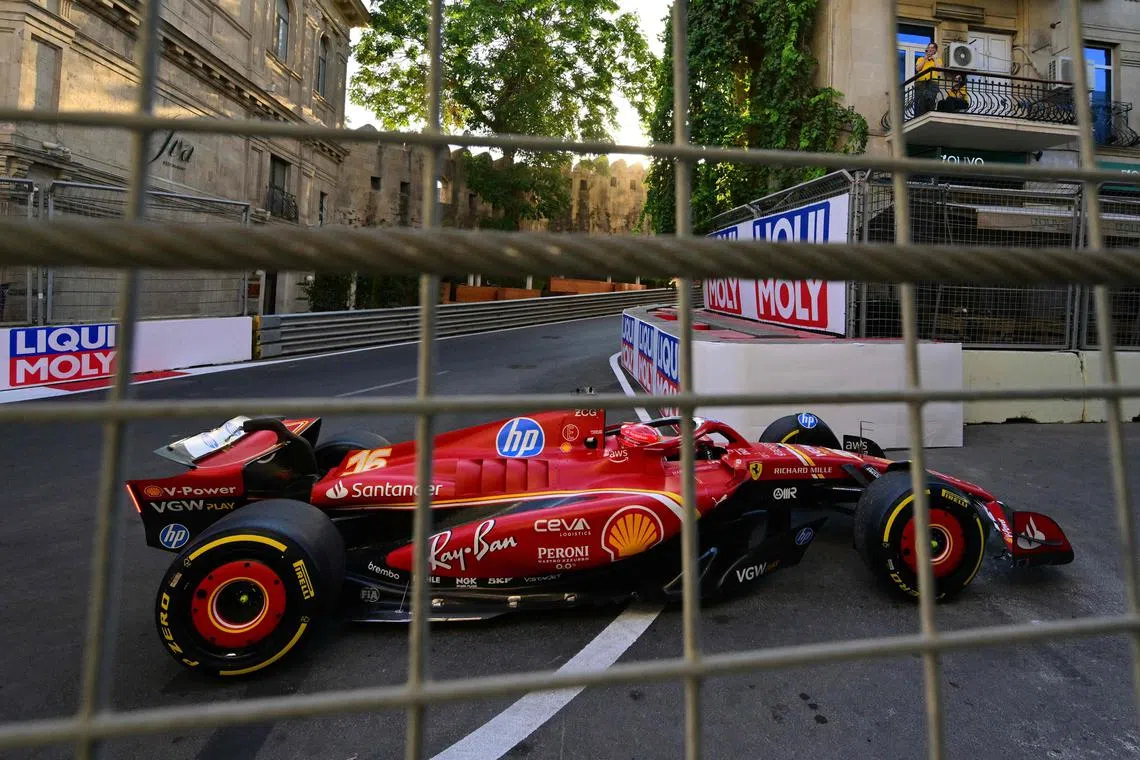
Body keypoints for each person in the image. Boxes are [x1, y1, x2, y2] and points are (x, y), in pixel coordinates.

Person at [914, 42, 940, 116]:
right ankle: (919, 117)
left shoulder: (938, 59)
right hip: (920, 83)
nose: (930, 49)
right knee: (920, 102)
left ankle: (929, 115)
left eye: (932, 48)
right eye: (929, 47)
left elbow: (938, 69)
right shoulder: (921, 59)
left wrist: (934, 59)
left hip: (933, 83)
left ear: (935, 50)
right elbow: (918, 69)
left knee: (930, 101)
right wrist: (925, 59)